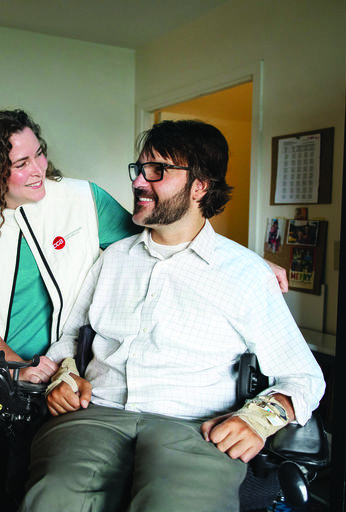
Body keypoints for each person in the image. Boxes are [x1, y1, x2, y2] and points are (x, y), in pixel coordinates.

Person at [21, 120, 326, 512]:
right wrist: (65, 374)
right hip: (95, 415)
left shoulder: (246, 274)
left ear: (200, 185)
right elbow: (69, 335)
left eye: (157, 171)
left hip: (195, 428)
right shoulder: (112, 260)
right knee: (52, 499)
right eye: (139, 170)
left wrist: (259, 419)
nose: (138, 183)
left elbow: (303, 377)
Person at [0, 110, 140, 512]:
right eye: (21, 163)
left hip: (61, 372)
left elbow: (156, 246)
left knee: (40, 477)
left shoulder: (83, 199)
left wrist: (252, 265)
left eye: (40, 154)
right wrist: (15, 369)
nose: (39, 169)